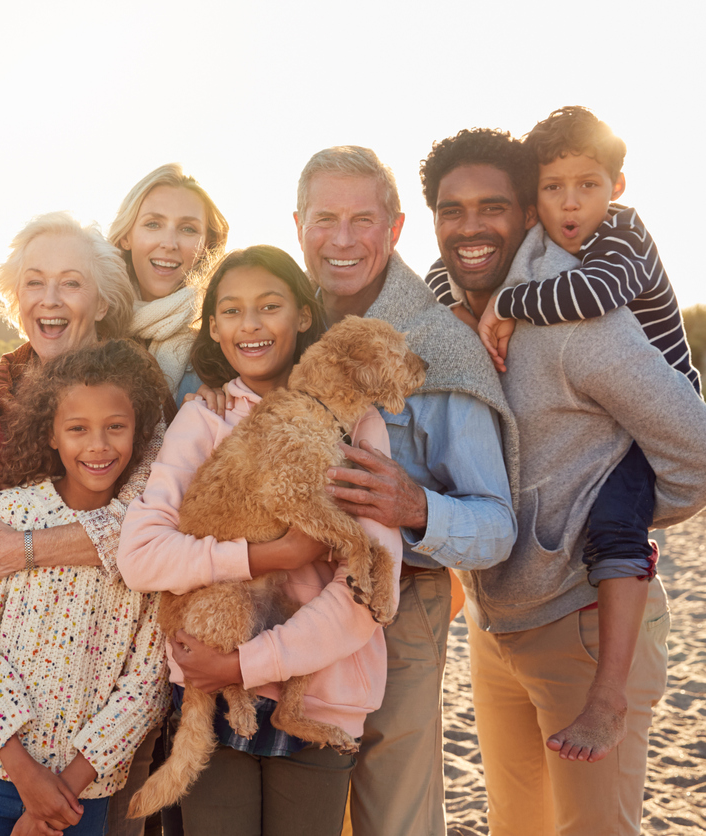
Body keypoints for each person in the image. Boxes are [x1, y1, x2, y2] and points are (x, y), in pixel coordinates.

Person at [419, 127, 706, 836]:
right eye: (452, 210)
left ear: (526, 215)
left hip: (583, 624)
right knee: (516, 827)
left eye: (493, 206)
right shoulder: (451, 311)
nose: (471, 226)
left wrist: (596, 523)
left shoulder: (582, 322)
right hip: (498, 627)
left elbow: (696, 451)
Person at [118, 245, 403, 835]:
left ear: (302, 315)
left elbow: (369, 591)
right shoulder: (204, 420)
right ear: (215, 329)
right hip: (213, 691)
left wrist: (243, 664)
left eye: (268, 306)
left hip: (320, 690)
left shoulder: (357, 425)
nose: (250, 324)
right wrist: (267, 556)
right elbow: (141, 556)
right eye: (231, 310)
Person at [292, 146, 517, 836]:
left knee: (394, 818)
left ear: (393, 230)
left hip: (398, 607)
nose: (341, 239)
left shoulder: (438, 343)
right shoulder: (279, 322)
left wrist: (415, 507)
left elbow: (496, 525)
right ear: (297, 224)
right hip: (285, 600)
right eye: (324, 218)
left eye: (363, 219)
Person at [0, 339, 171, 836]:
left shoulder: (147, 543)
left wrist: (60, 793)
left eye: (116, 427)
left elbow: (146, 683)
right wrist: (27, 778)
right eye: (77, 429)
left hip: (82, 793)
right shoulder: (12, 514)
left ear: (138, 431)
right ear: (50, 434)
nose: (98, 445)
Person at [107, 163, 229, 401]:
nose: (169, 243)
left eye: (188, 229)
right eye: (153, 224)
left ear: (207, 246)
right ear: (125, 236)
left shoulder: (221, 340)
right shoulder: (91, 325)